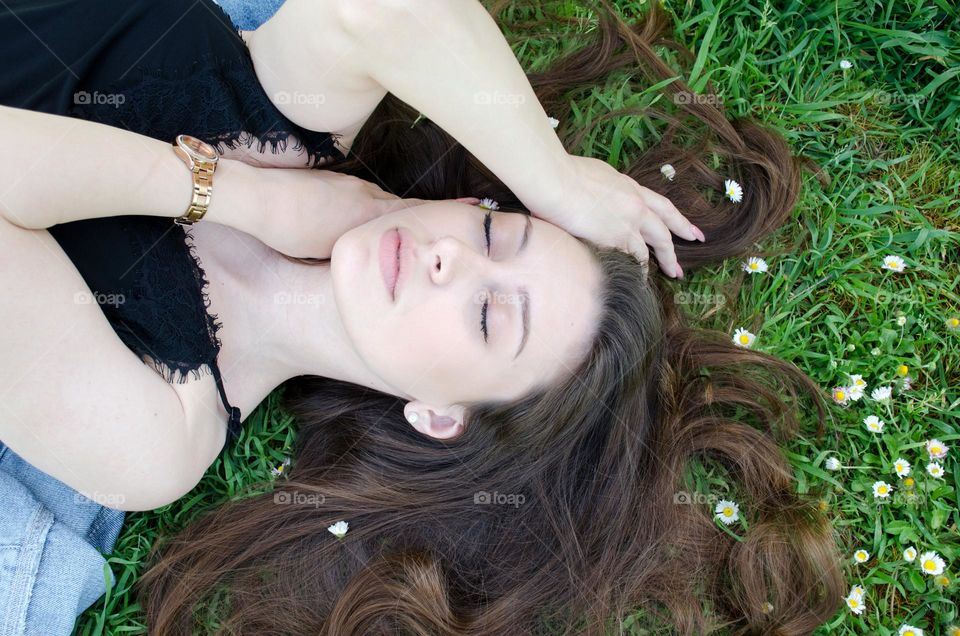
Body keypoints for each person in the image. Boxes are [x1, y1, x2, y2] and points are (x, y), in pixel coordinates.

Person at [0, 0, 845, 634]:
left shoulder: (157, 433)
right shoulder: (301, 120)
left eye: (486, 317)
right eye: (493, 231)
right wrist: (553, 179)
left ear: (440, 416)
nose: (452, 259)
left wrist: (248, 202)